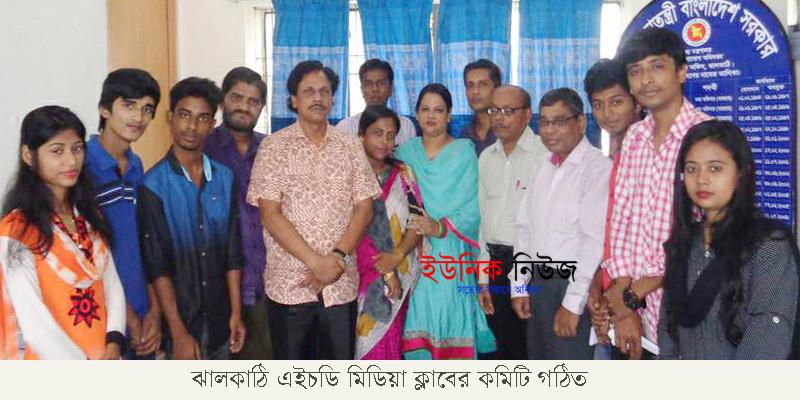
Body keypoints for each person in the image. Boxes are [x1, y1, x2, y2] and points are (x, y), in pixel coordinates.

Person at [248, 60, 380, 360]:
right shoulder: (274, 147)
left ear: (333, 98)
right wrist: (316, 263)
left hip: (340, 285)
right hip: (290, 286)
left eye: (324, 91)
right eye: (308, 91)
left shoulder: (350, 146)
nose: (318, 98)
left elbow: (364, 208)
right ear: (294, 100)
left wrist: (336, 258)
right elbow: (270, 213)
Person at [599, 27, 712, 359]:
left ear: (681, 71)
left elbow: (705, 233)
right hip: (633, 315)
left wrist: (633, 296)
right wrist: (625, 302)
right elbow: (620, 221)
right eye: (635, 71)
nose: (646, 79)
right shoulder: (633, 137)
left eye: (657, 66)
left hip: (687, 307)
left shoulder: (707, 136)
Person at [659, 120, 798, 359]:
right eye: (691, 169)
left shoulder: (768, 246)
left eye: (715, 168)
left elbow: (766, 345)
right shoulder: (684, 244)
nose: (701, 179)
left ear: (741, 172)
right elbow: (668, 328)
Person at [0, 106, 126, 359]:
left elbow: (111, 283)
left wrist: (114, 341)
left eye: (77, 148)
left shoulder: (89, 216)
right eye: (57, 151)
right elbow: (35, 324)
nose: (71, 160)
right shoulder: (17, 230)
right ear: (29, 156)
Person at [138, 77, 245, 360]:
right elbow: (157, 266)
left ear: (212, 124)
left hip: (221, 321)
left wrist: (236, 313)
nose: (192, 127)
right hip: (181, 325)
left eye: (202, 118)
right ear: (170, 118)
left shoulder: (225, 178)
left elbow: (232, 253)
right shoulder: (153, 185)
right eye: (185, 115)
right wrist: (177, 331)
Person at [509, 88, 611, 359]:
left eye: (558, 122)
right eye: (543, 122)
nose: (549, 131)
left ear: (581, 122)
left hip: (571, 286)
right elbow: (524, 228)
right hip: (538, 284)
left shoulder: (597, 168)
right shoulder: (542, 165)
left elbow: (593, 243)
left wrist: (572, 305)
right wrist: (518, 285)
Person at [396, 83, 495, 359]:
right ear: (416, 113)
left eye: (439, 110)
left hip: (451, 252)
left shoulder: (464, 152)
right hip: (412, 253)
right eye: (425, 109)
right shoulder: (404, 154)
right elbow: (393, 203)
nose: (431, 115)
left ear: (449, 115)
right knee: (417, 322)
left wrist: (439, 227)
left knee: (451, 320)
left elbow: (474, 209)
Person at [86, 68, 162, 359]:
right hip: (102, 310)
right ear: (104, 109)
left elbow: (142, 242)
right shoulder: (82, 165)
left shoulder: (135, 165)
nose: (138, 117)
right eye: (128, 105)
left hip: (140, 303)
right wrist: (125, 312)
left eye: (147, 109)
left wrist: (154, 309)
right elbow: (87, 254)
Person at [204, 66, 272, 360]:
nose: (244, 107)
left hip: (269, 285)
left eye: (253, 101)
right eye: (237, 97)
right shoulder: (204, 148)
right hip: (217, 288)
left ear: (262, 108)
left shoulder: (271, 149)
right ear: (223, 100)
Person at [475, 85, 548, 359]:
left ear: (527, 114)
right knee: (500, 350)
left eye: (509, 111)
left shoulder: (544, 154)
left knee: (531, 350)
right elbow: (483, 221)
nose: (499, 117)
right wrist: (483, 277)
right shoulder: (486, 157)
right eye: (495, 110)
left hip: (531, 267)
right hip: (495, 264)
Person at [582, 58, 642, 359]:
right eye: (598, 104)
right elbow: (599, 238)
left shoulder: (648, 160)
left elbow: (649, 245)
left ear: (637, 102)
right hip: (605, 298)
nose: (607, 113)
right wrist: (595, 292)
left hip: (640, 301)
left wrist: (626, 304)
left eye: (616, 102)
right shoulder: (602, 163)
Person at [354, 105, 424, 360]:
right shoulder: (350, 173)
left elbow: (417, 221)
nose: (384, 141)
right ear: (361, 135)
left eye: (390, 135)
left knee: (390, 345)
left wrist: (397, 255)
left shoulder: (404, 173)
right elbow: (355, 228)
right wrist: (386, 271)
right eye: (377, 133)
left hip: (399, 272)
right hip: (358, 276)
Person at [335, 59, 417, 145]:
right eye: (368, 84)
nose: (375, 89)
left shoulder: (406, 126)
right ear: (362, 90)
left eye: (381, 83)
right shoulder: (344, 128)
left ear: (390, 89)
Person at [460, 59, 503, 155]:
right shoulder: (465, 136)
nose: (475, 91)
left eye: (483, 85)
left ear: (497, 88)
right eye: (470, 85)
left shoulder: (508, 130)